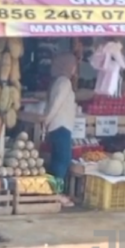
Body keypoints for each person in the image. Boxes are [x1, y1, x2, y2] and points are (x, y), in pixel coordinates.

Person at [43, 53, 78, 207]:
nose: (75, 68)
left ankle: (53, 193)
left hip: (59, 126)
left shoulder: (59, 81)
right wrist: (47, 120)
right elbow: (56, 104)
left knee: (58, 160)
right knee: (62, 161)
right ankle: (56, 194)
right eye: (73, 65)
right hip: (61, 126)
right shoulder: (64, 82)